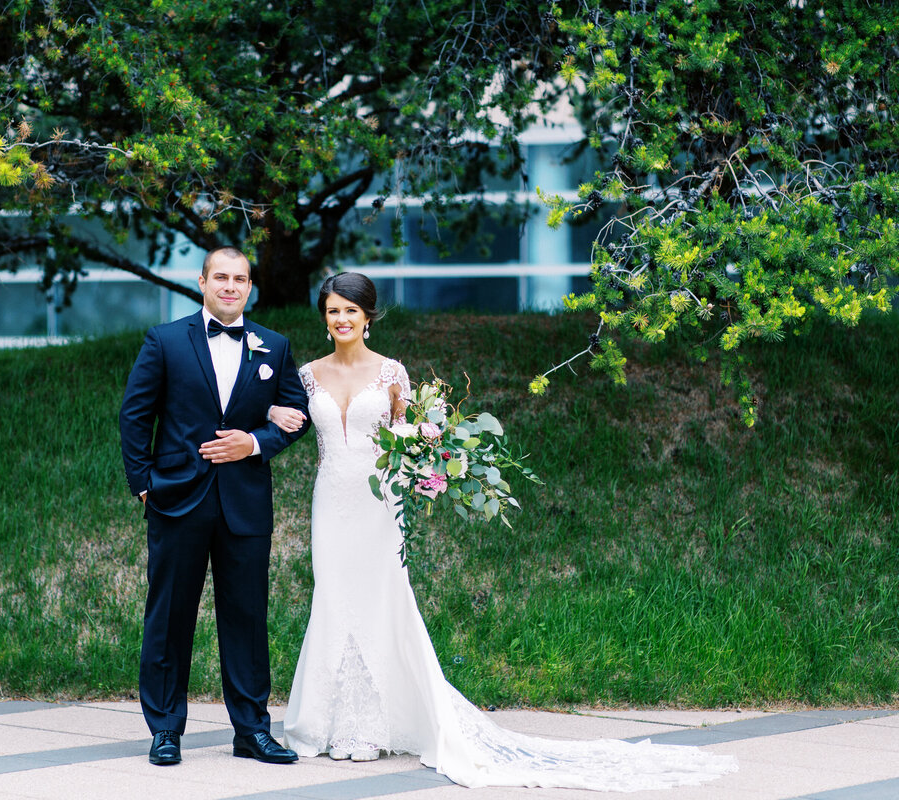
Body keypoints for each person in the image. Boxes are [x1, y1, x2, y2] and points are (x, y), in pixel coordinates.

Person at [269, 272, 738, 791]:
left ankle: (373, 726)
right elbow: (285, 421)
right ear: (324, 315)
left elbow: (416, 435)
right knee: (334, 599)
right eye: (333, 311)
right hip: (331, 500)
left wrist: (428, 458)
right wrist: (269, 410)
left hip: (381, 504)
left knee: (382, 600)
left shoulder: (392, 374)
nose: (341, 320)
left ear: (368, 316)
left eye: (350, 311)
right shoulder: (307, 374)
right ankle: (330, 720)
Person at [119, 247, 310, 767]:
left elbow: (296, 414)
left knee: (247, 620)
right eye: (220, 277)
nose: (230, 286)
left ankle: (252, 731)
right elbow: (135, 416)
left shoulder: (273, 345)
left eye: (240, 279)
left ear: (250, 286)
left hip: (245, 503)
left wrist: (253, 442)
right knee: (169, 618)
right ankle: (165, 730)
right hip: (178, 500)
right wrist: (145, 484)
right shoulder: (165, 340)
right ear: (201, 281)